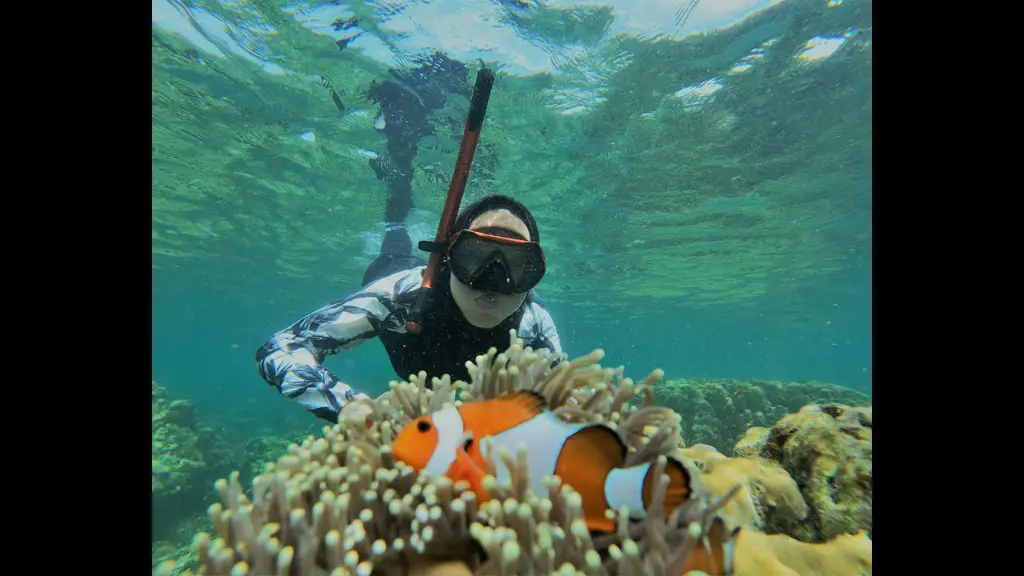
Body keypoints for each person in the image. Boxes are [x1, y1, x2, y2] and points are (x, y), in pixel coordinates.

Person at [255, 194, 563, 423]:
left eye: (518, 265)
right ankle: (396, 225)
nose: (492, 281)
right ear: (449, 259)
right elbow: (279, 348)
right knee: (393, 249)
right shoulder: (398, 297)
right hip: (391, 268)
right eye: (474, 256)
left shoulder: (534, 322)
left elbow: (562, 398)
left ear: (534, 273)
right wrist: (350, 408)